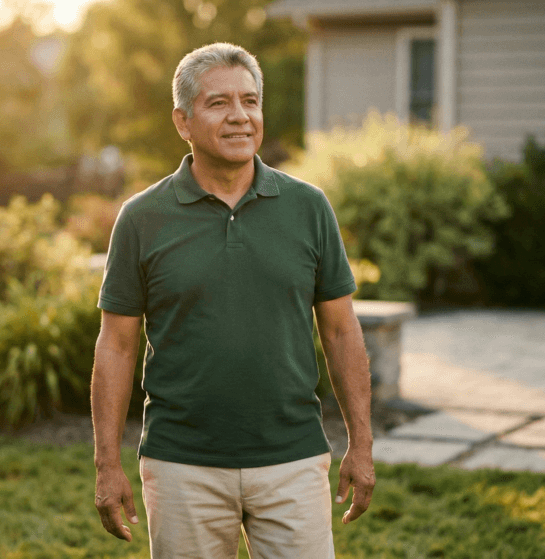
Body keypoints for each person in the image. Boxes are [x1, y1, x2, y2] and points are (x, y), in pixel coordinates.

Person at [91, 42, 374, 558]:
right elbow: (116, 345)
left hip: (293, 459)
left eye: (250, 101)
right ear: (183, 121)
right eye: (218, 103)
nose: (240, 116)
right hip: (182, 465)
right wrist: (106, 464)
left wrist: (362, 443)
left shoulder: (308, 208)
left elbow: (339, 330)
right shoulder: (142, 218)